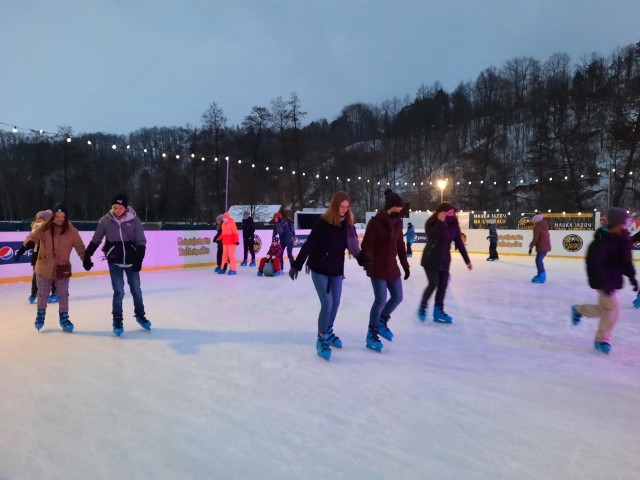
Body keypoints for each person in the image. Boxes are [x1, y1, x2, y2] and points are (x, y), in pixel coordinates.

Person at [289, 191, 361, 361]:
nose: (343, 210)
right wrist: (297, 265)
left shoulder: (347, 226)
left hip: (336, 270)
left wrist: (367, 262)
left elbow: (355, 249)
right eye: (341, 207)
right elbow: (309, 244)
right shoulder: (323, 223)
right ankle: (321, 339)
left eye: (346, 207)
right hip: (319, 268)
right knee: (327, 303)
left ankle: (328, 331)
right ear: (334, 206)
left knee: (335, 304)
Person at [571, 208, 638, 354]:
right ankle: (602, 339)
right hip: (603, 281)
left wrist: (632, 277)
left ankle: (578, 310)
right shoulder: (601, 242)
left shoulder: (622, 238)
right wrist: (603, 283)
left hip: (612, 279)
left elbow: (625, 261)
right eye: (623, 224)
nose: (625, 227)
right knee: (613, 308)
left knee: (605, 310)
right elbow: (594, 265)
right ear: (615, 224)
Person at [83, 194, 151, 336]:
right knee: (119, 291)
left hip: (131, 261)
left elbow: (141, 241)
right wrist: (87, 256)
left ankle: (140, 315)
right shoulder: (105, 220)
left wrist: (139, 259)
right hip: (114, 261)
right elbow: (96, 239)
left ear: (125, 208)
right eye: (115, 207)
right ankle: (117, 320)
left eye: (120, 208)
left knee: (136, 290)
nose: (117, 210)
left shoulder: (134, 220)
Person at [359, 189, 410, 352]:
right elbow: (366, 245)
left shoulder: (399, 222)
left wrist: (405, 265)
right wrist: (368, 260)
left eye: (400, 209)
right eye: (397, 208)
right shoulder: (375, 223)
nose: (399, 211)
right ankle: (371, 334)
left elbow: (400, 245)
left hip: (392, 267)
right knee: (380, 300)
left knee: (397, 297)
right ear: (389, 207)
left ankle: (382, 321)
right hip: (377, 267)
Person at [23, 203, 86, 332]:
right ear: (53, 216)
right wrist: (29, 242)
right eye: (57, 216)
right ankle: (41, 314)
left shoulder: (71, 230)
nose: (59, 219)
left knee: (63, 294)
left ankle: (64, 318)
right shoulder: (45, 227)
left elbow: (79, 246)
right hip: (44, 266)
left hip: (62, 267)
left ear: (66, 216)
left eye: (62, 216)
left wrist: (86, 259)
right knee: (43, 294)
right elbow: (33, 236)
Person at [418, 202, 472, 323]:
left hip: (444, 260)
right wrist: (440, 222)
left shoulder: (454, 225)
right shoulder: (432, 222)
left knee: (442, 286)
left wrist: (467, 261)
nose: (452, 215)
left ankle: (438, 311)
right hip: (431, 259)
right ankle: (423, 307)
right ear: (441, 212)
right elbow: (432, 237)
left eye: (453, 212)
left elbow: (459, 243)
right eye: (449, 213)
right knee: (433, 283)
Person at [15, 210, 58, 303]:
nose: (37, 220)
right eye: (37, 218)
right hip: (37, 254)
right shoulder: (34, 229)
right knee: (36, 275)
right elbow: (29, 241)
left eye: (40, 218)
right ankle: (34, 292)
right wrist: (20, 252)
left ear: (47, 219)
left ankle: (56, 293)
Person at [528, 213, 551, 283]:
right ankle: (540, 275)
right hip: (545, 246)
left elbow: (535, 239)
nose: (533, 221)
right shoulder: (544, 225)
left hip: (542, 247)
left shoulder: (537, 227)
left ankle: (542, 276)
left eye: (534, 220)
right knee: (538, 260)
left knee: (538, 260)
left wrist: (530, 247)